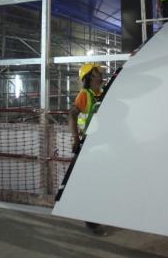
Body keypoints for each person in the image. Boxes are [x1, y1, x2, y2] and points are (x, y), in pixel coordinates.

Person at [68, 63, 108, 236]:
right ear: (90, 77)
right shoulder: (84, 95)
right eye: (98, 73)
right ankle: (91, 222)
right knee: (89, 183)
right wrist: (75, 138)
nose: (101, 75)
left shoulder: (104, 93)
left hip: (103, 144)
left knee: (101, 182)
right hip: (88, 145)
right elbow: (72, 115)